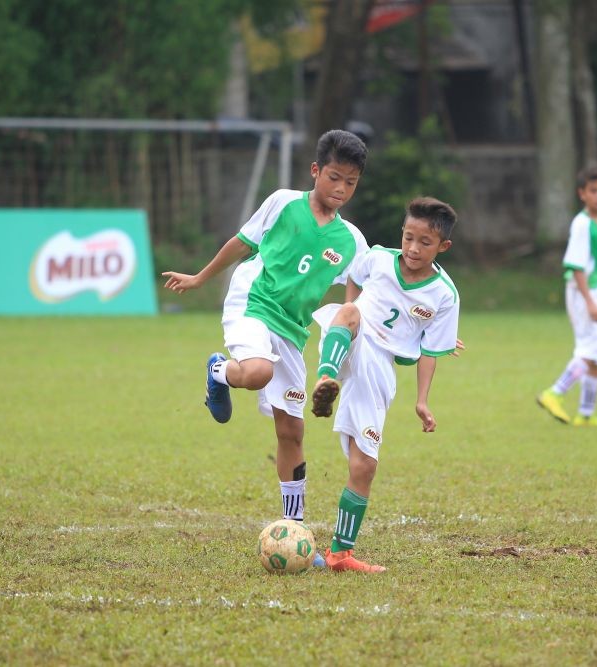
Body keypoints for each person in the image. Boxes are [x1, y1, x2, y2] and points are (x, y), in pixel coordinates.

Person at [161, 130, 370, 568]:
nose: (340, 189)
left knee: (292, 432)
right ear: (315, 171)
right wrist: (201, 277)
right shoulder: (282, 203)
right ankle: (219, 370)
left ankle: (292, 531)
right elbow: (242, 242)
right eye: (334, 177)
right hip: (252, 303)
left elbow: (363, 296)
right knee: (257, 372)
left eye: (350, 182)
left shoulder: (352, 241)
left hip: (293, 332)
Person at [310, 197, 460, 573]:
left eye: (425, 242)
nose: (413, 248)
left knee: (365, 464)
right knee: (347, 312)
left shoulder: (444, 294)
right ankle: (326, 378)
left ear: (443, 246)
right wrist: (353, 307)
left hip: (379, 367)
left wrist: (422, 401)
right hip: (349, 338)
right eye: (408, 237)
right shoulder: (378, 257)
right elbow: (353, 277)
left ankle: (339, 555)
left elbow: (429, 351)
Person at [536, 161, 597, 428]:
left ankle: (586, 414)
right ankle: (554, 393)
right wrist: (589, 301)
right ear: (582, 194)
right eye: (593, 190)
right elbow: (576, 266)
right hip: (584, 292)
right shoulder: (581, 224)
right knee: (591, 349)